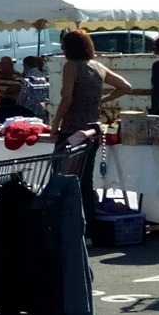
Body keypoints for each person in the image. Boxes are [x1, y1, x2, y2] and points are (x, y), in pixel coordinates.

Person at [51, 29, 132, 242]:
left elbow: (66, 99)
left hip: (73, 129)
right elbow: (125, 87)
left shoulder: (71, 67)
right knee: (85, 181)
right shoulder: (97, 67)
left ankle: (67, 225)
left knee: (62, 177)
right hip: (93, 128)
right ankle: (89, 229)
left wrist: (54, 124)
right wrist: (101, 100)